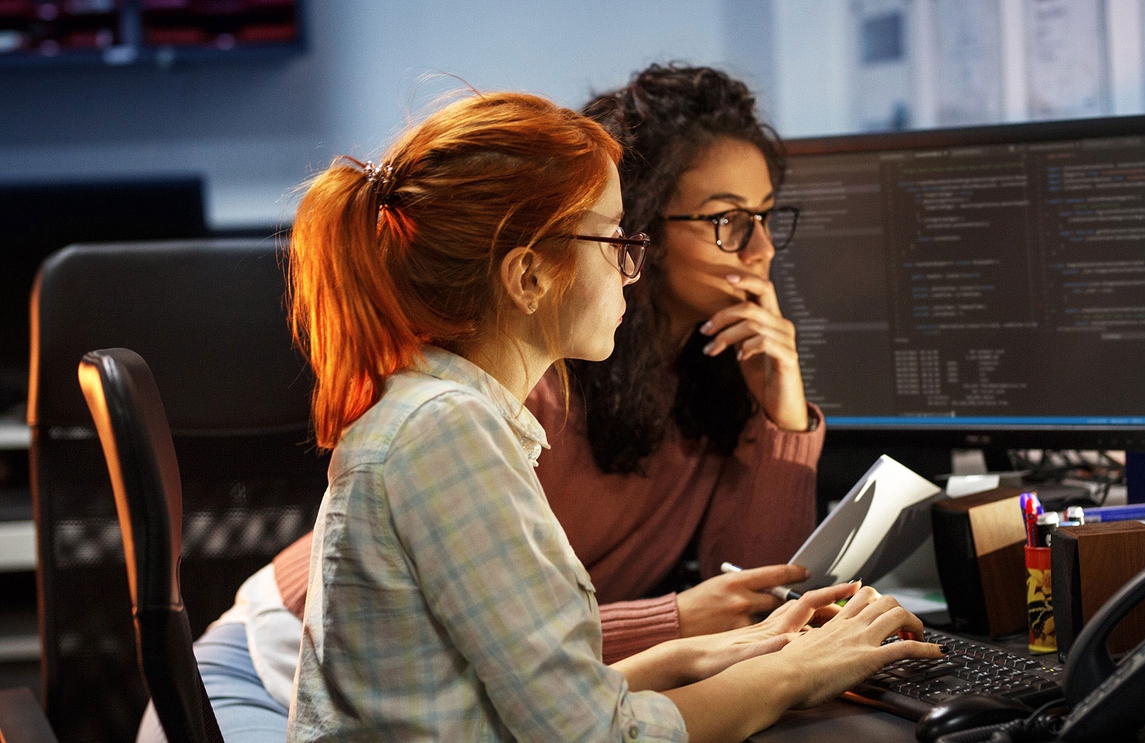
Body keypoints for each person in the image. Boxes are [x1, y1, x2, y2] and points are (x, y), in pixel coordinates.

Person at [136, 65, 843, 742]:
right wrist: (737, 651)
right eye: (617, 238)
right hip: (264, 668)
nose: (761, 253)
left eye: (766, 218)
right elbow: (572, 705)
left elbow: (528, 675)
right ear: (532, 275)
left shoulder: (486, 401)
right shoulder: (476, 412)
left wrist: (780, 420)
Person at [277, 88, 940, 741]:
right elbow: (599, 733)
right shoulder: (451, 428)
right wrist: (796, 673)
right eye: (615, 238)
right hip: (263, 654)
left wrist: (725, 650)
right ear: (529, 277)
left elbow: (529, 693)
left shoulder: (457, 412)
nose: (631, 265)